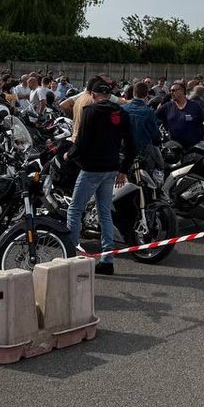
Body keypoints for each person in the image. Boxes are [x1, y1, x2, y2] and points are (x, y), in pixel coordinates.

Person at [65, 77, 134, 275]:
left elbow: (82, 141)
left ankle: (71, 258)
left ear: (93, 95)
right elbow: (131, 143)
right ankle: (107, 259)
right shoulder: (120, 112)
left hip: (92, 169)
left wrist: (69, 154)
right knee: (104, 212)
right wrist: (123, 169)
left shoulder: (90, 111)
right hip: (111, 168)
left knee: (75, 209)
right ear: (109, 95)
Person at [157, 81, 204, 148]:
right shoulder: (167, 106)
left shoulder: (195, 106)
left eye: (174, 90)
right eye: (171, 91)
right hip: (174, 148)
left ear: (182, 91)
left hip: (192, 148)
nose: (171, 93)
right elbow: (154, 118)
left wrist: (203, 143)